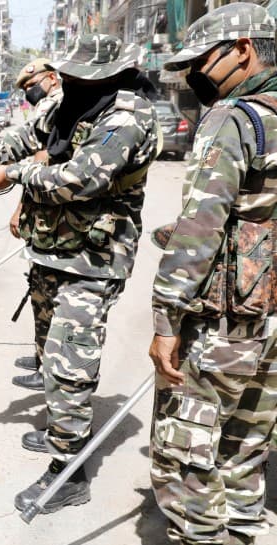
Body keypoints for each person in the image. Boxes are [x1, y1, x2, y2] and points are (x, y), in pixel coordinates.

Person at [0, 34, 160, 513]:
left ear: (110, 74)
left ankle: (69, 473)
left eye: (79, 76)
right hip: (55, 252)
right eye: (67, 74)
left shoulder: (128, 116)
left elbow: (81, 178)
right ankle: (66, 431)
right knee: (51, 360)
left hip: (94, 260)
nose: (68, 82)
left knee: (69, 364)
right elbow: (27, 135)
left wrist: (12, 176)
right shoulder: (75, 102)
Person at [148, 4, 277, 544]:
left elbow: (202, 228)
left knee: (187, 456)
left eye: (203, 60)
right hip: (268, 322)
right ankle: (243, 532)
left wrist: (164, 321)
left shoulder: (232, 118)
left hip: (223, 325)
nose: (193, 75)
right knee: (247, 445)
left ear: (243, 49)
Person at [0, 57, 63, 392]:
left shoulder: (59, 106)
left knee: (49, 298)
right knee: (40, 291)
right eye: (24, 89)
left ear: (51, 79)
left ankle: (48, 366)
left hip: (57, 221)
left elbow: (41, 158)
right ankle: (42, 358)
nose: (29, 92)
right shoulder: (48, 107)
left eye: (31, 86)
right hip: (48, 219)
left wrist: (19, 206)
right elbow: (23, 140)